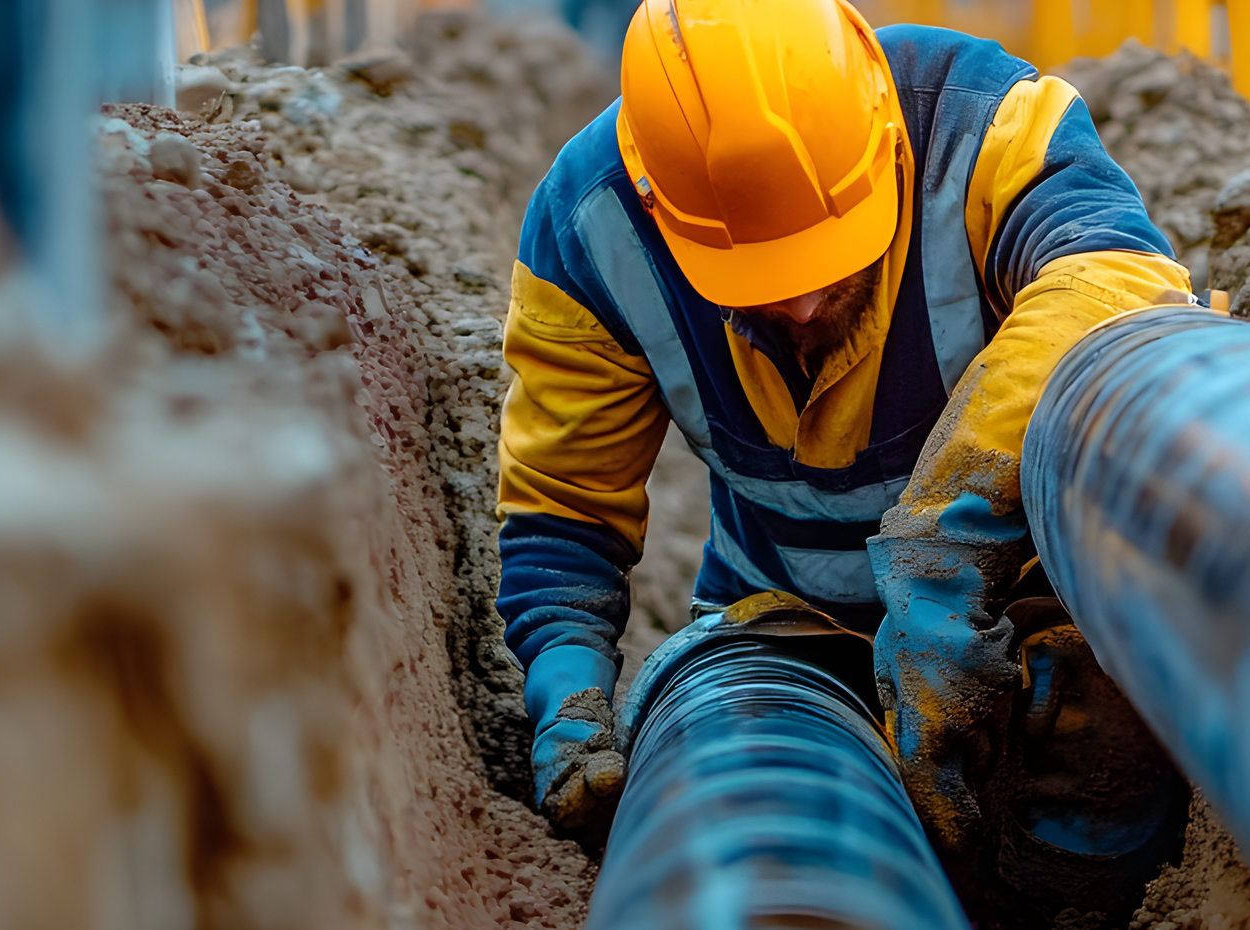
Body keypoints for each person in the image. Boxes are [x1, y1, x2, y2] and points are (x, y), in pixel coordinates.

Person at [497, 0, 1201, 910]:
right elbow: (564, 506)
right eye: (753, 273)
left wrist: (948, 541)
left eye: (823, 263)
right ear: (664, 206)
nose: (796, 308)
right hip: (786, 619)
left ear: (880, 141)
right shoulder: (589, 227)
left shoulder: (981, 122)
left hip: (1017, 615)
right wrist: (568, 686)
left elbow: (1118, 282)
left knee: (1104, 754)